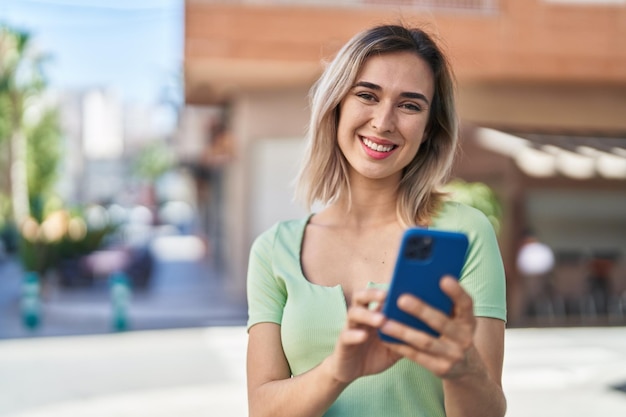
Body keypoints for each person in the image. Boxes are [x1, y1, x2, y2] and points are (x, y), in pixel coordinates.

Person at [246, 24, 507, 417]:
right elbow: (262, 410)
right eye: (367, 95)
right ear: (336, 105)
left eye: (410, 105)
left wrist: (461, 367)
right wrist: (338, 370)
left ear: (428, 129)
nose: (383, 122)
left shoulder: (464, 233)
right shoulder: (273, 250)